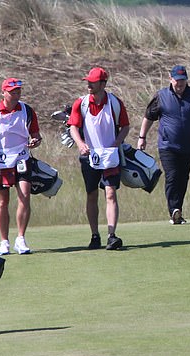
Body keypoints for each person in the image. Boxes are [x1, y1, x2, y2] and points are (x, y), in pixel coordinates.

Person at [138, 65, 190, 225]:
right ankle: (174, 210)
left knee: (183, 178)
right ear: (171, 79)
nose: (180, 84)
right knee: (172, 176)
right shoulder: (161, 96)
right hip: (167, 145)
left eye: (183, 81)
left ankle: (178, 210)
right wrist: (142, 137)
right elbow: (148, 117)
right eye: (177, 81)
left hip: (188, 146)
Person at [67, 67, 130, 250]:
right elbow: (73, 127)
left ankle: (111, 235)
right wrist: (80, 143)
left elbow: (125, 126)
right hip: (89, 156)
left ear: (103, 84)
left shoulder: (115, 103)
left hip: (110, 156)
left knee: (110, 193)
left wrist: (117, 143)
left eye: (93, 82)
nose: (89, 84)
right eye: (88, 81)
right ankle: (95, 235)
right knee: (92, 194)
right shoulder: (81, 103)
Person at [0, 77, 43, 255]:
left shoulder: (27, 110)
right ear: (3, 93)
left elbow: (36, 134)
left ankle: (21, 239)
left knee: (24, 196)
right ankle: (4, 241)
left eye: (18, 91)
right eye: (12, 92)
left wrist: (35, 141)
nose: (16, 95)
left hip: (22, 157)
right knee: (2, 202)